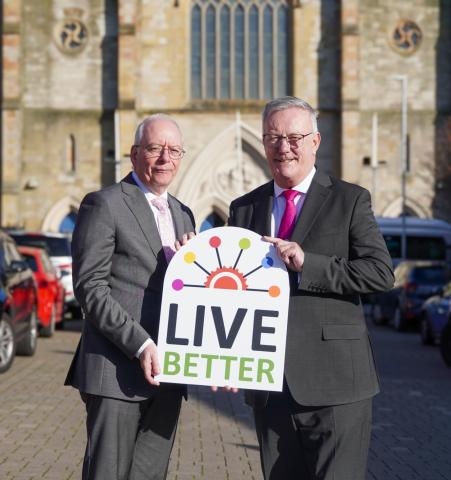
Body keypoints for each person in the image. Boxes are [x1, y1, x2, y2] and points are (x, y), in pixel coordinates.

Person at [228, 97, 394, 480]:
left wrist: (309, 264)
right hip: (269, 387)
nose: (283, 147)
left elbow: (380, 273)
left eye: (294, 137)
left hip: (335, 384)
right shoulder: (243, 209)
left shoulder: (349, 200)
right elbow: (231, 289)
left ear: (315, 141)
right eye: (272, 137)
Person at [65, 114, 195, 480]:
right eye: (155, 148)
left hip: (169, 372)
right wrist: (140, 344)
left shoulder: (184, 214)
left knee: (151, 474)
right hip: (117, 370)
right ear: (135, 153)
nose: (165, 158)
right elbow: (90, 287)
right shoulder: (104, 203)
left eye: (174, 150)